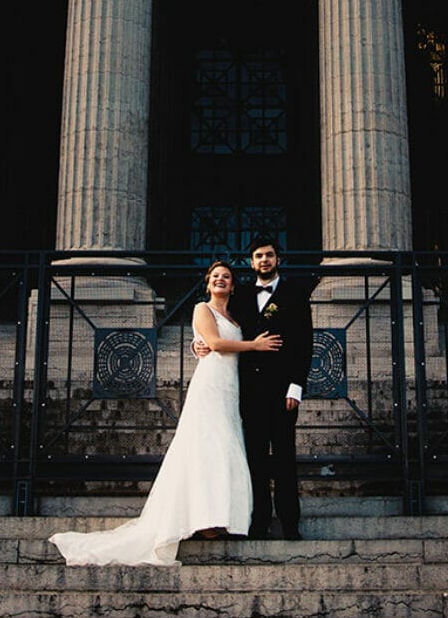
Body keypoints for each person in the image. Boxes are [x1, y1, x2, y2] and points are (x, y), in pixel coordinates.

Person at [49, 262, 281, 566]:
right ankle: (201, 519)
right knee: (207, 445)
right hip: (210, 384)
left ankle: (218, 517)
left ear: (233, 286)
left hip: (231, 386)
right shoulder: (203, 308)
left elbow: (215, 340)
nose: (221, 280)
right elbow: (212, 343)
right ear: (208, 284)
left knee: (225, 448)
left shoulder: (234, 315)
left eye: (226, 277)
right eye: (215, 277)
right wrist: (253, 345)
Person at [227, 238, 313, 541]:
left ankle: (290, 522)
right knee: (256, 459)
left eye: (269, 255)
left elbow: (305, 343)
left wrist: (296, 386)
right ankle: (259, 520)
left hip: (282, 391)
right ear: (251, 262)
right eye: (258, 256)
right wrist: (198, 342)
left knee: (285, 457)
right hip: (250, 390)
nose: (264, 260)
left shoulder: (295, 294)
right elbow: (222, 328)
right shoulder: (241, 298)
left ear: (278, 259)